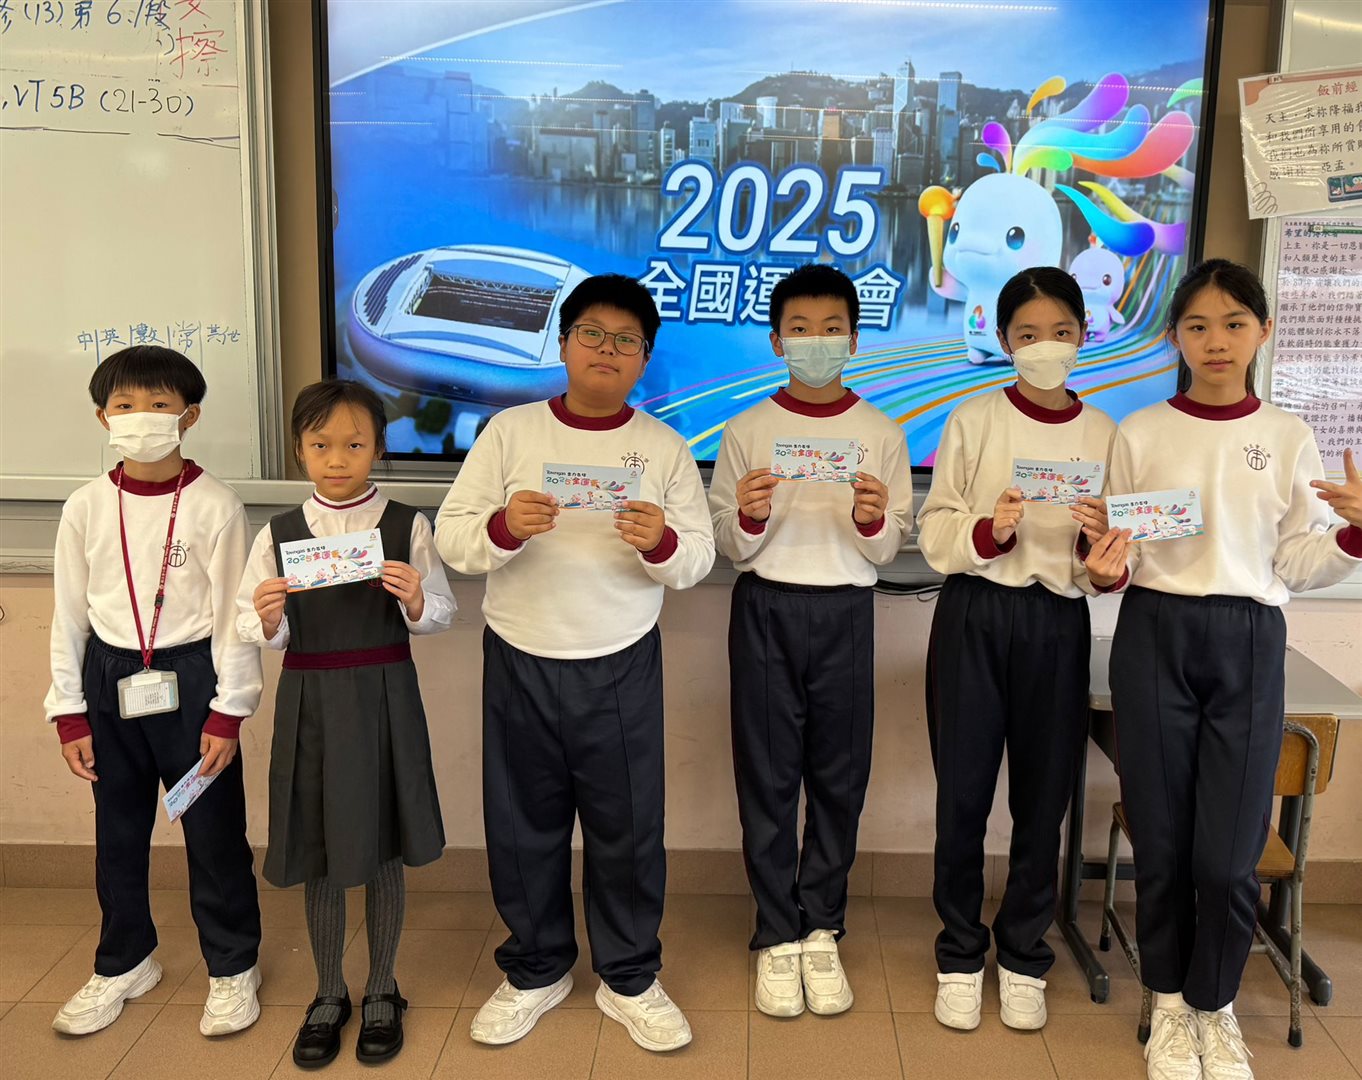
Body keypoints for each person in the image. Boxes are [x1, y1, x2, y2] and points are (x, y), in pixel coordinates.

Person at [1087, 259, 1362, 1080]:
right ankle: (1171, 1003)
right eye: (1198, 325)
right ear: (1174, 335)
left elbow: (1299, 559)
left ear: (1263, 331)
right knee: (1162, 842)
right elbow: (1120, 551)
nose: (1216, 341)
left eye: (1234, 323)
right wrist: (1104, 570)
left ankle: (1216, 1005)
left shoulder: (1286, 435)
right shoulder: (1139, 432)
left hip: (1249, 636)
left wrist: (1353, 536)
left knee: (1230, 853)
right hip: (1155, 632)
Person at [434, 273, 714, 1053]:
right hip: (519, 655)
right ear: (562, 343)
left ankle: (630, 977)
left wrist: (661, 540)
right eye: (592, 333)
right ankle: (536, 969)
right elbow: (454, 538)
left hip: (620, 659)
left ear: (645, 359)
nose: (607, 350)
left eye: (627, 341)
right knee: (522, 824)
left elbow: (697, 558)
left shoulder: (663, 447)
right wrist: (503, 526)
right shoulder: (510, 433)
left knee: (628, 829)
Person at [709, 263, 913, 1017]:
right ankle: (775, 931)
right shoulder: (747, 429)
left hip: (846, 610)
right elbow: (730, 543)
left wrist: (871, 519)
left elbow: (888, 548)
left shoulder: (881, 433)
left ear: (854, 340)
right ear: (776, 341)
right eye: (800, 329)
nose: (816, 341)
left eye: (831, 329)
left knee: (838, 776)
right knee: (767, 777)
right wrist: (751, 515)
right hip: (766, 606)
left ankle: (821, 924)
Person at [917, 267, 1117, 1032]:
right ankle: (960, 952)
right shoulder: (973, 420)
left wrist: (1100, 554)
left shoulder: (1105, 435)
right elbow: (935, 531)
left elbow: (1109, 557)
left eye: (1060, 333)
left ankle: (1025, 953)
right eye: (1028, 334)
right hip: (974, 614)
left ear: (1083, 335)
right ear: (1003, 340)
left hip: (1057, 621)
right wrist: (990, 530)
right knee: (962, 796)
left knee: (1043, 798)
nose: (1045, 347)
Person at [45, 345, 264, 1038]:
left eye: (159, 405)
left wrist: (229, 711)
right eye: (125, 405)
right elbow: (68, 614)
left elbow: (234, 615)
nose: (141, 417)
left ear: (188, 416)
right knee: (118, 829)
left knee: (212, 830)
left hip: (191, 679)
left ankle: (233, 964)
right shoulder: (85, 506)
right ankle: (125, 960)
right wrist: (69, 713)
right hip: (110, 680)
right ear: (102, 417)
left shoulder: (216, 505)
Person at [237, 380, 454, 1068]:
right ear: (298, 450)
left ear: (378, 447)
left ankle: (383, 987)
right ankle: (329, 991)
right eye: (320, 444)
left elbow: (441, 614)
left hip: (386, 693)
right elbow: (253, 626)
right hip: (310, 698)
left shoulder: (407, 524)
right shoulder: (277, 532)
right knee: (319, 844)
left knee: (385, 841)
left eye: (354, 444)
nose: (337, 459)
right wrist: (268, 618)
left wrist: (417, 600)